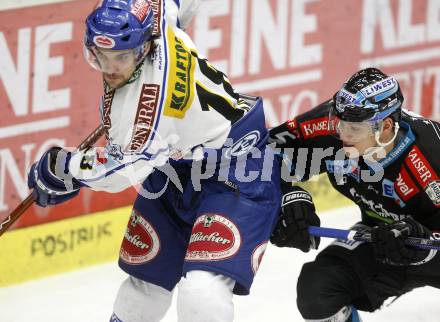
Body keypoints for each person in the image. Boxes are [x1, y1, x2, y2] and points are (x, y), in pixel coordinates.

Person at [27, 1, 281, 321]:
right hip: (174, 167)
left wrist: (65, 169)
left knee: (202, 294)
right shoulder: (152, 16)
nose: (111, 68)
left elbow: (121, 169)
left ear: (144, 46)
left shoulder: (144, 109)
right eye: (101, 56)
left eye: (122, 57)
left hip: (235, 172)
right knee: (143, 288)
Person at [269, 67, 440, 321]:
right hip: (380, 240)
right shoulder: (331, 128)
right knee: (317, 290)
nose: (342, 135)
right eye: (339, 123)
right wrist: (286, 198)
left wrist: (425, 246)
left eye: (354, 129)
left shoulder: (431, 155)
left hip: (432, 249)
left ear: (385, 127)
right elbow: (262, 157)